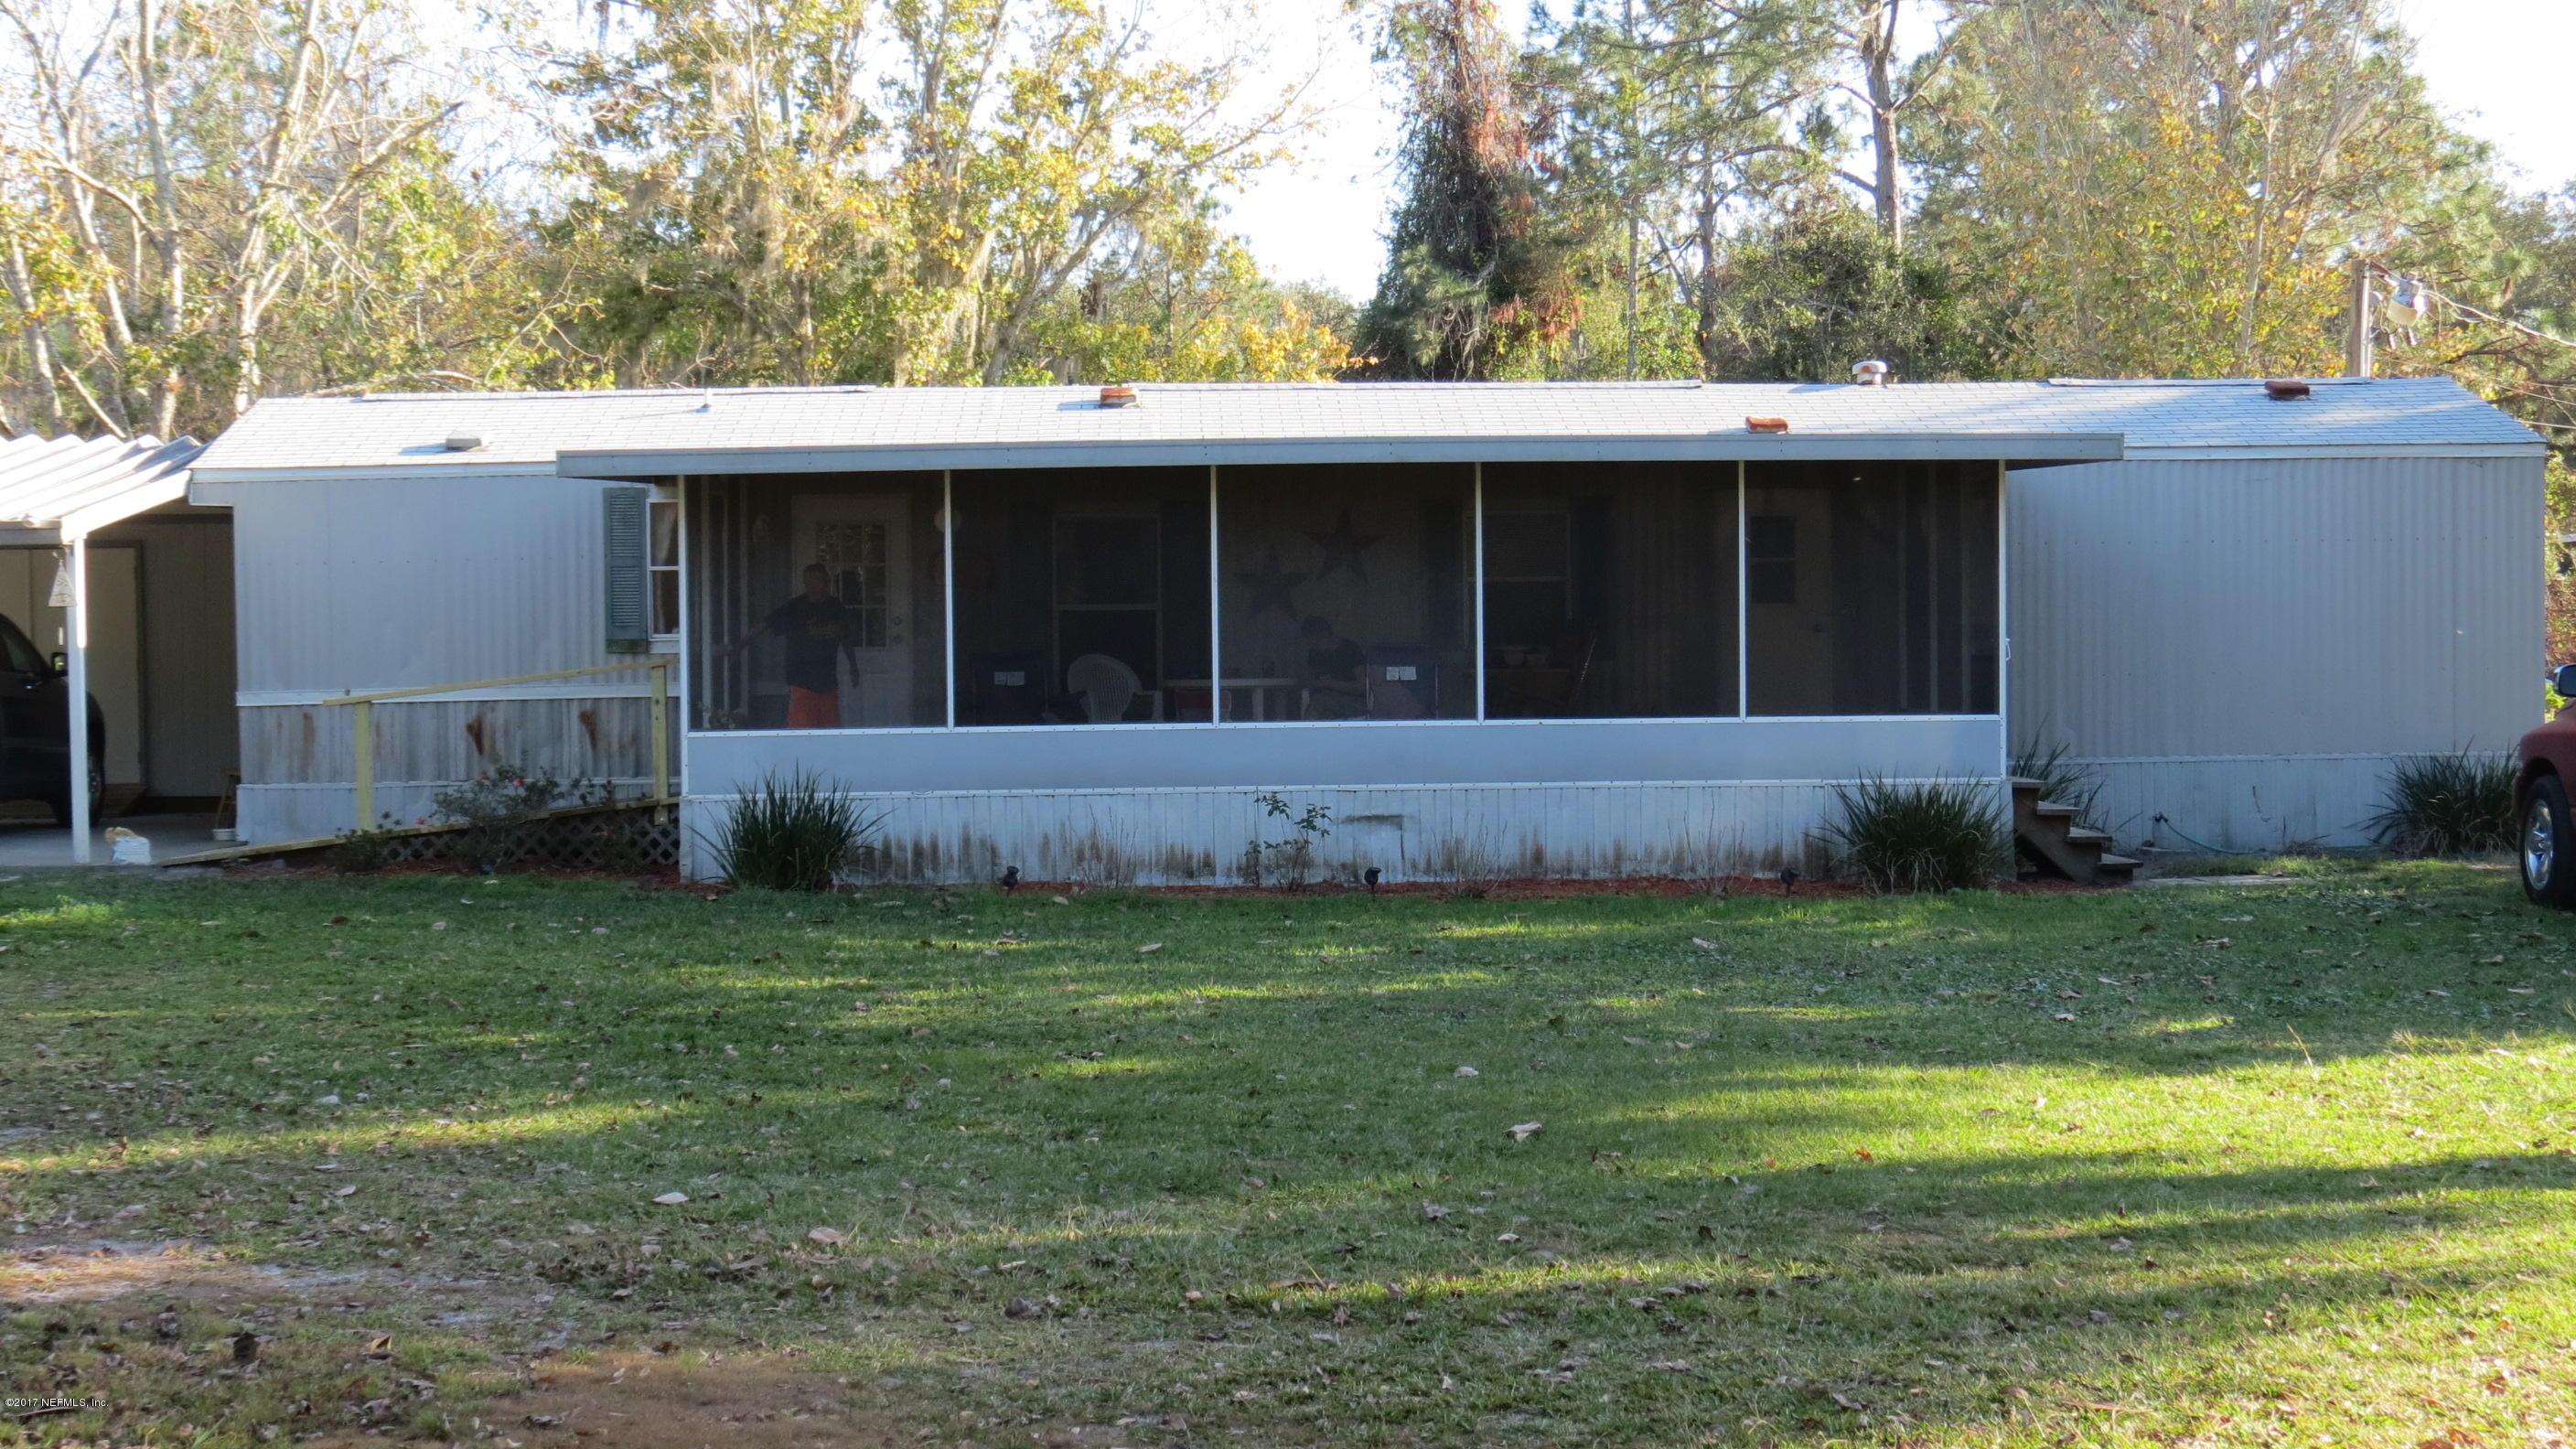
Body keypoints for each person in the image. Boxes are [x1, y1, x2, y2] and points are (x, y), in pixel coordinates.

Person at [730, 564, 857, 728]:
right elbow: (765, 625)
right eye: (820, 580)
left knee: (830, 733)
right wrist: (740, 646)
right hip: (802, 684)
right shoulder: (795, 608)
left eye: (827, 580)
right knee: (802, 733)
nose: (826, 584)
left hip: (828, 683)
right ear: (808, 583)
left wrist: (854, 666)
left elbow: (845, 638)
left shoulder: (835, 607)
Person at [1299, 615, 1367, 719]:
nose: (1317, 647)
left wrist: (1331, 683)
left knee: (1321, 700)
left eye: (1318, 642)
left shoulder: (1351, 650)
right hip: (1325, 707)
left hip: (1355, 702)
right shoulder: (1314, 653)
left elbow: (1361, 687)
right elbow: (1310, 679)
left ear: (1325, 634)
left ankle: (1305, 733)